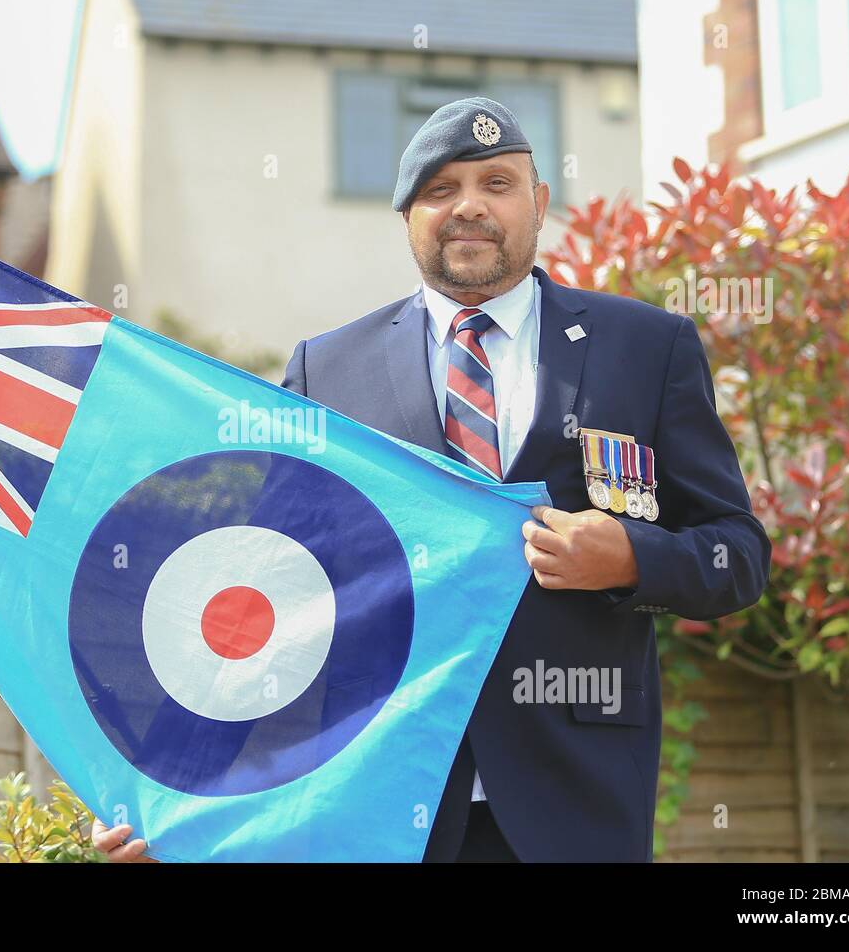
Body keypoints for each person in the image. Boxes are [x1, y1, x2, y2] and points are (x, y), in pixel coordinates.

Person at [93, 96, 770, 863]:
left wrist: (630, 559)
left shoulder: (647, 348)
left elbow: (736, 554)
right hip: (379, 804)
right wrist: (167, 793)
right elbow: (265, 595)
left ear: (540, 202)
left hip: (575, 805)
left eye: (497, 183)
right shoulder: (327, 371)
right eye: (440, 189)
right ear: (407, 214)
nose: (469, 207)